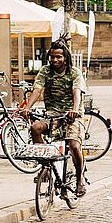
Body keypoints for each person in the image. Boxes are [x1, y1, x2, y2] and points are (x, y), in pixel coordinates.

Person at [18, 41, 87, 198]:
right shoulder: (45, 71)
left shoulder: (74, 72)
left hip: (72, 115)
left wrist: (75, 110)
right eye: (52, 57)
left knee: (74, 145)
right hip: (52, 114)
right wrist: (27, 107)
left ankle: (79, 180)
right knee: (35, 128)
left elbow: (77, 92)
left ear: (65, 57)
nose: (55, 60)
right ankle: (46, 166)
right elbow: (37, 90)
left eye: (59, 57)